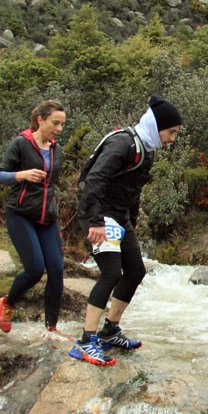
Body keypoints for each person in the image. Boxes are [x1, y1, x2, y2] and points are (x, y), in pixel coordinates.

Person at [70, 94, 182, 366]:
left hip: (119, 217)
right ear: (157, 127)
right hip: (98, 213)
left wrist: (130, 219)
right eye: (171, 132)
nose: (172, 139)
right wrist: (95, 221)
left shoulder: (147, 149)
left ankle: (110, 331)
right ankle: (86, 341)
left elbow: (133, 190)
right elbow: (94, 180)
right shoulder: (123, 143)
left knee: (136, 271)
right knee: (110, 273)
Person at [0, 100, 67, 338]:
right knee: (35, 269)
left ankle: (52, 327)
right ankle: (7, 303)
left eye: (62, 124)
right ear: (40, 120)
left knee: (56, 269)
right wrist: (21, 175)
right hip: (21, 214)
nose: (59, 129)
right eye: (55, 123)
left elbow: (51, 186)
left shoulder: (57, 150)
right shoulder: (21, 144)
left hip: (47, 217)